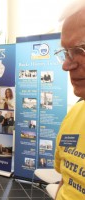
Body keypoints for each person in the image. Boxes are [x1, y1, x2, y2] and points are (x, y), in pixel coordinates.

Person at [54, 3, 85, 200]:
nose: (66, 65)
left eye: (80, 49)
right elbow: (65, 179)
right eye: (66, 52)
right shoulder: (75, 114)